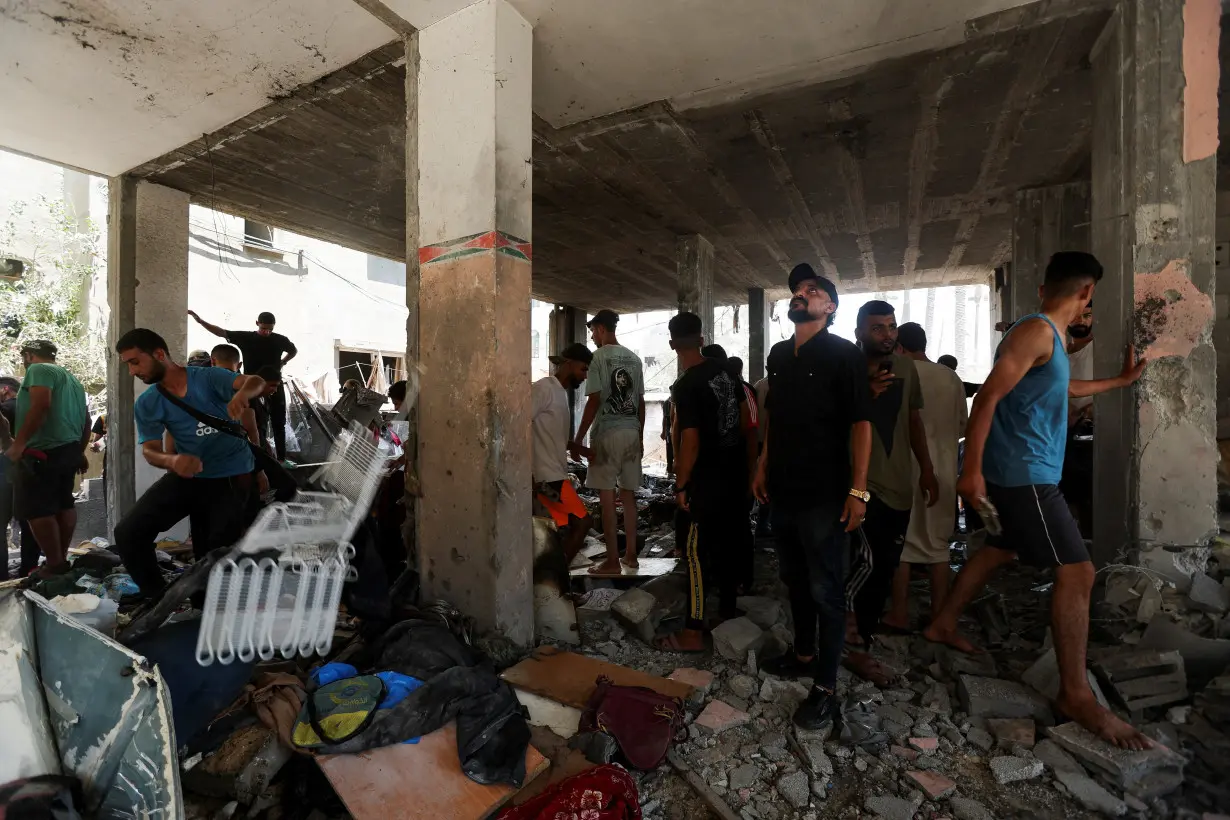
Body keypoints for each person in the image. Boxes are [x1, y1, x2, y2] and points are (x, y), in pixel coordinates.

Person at [923, 251, 1151, 750]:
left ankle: (942, 622)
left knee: (999, 549)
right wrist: (972, 469)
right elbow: (985, 397)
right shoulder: (1038, 333)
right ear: (1088, 293)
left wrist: (1119, 381)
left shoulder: (1049, 340)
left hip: (1022, 471)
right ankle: (1075, 694)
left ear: (1045, 287)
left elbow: (1060, 388)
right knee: (1078, 571)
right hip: (1024, 475)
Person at [753, 263, 872, 733]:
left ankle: (825, 687)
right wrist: (763, 464)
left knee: (827, 589)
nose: (801, 293)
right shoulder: (781, 356)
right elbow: (775, 418)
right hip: (783, 489)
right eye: (798, 290)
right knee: (793, 577)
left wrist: (858, 489)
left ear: (830, 307)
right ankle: (803, 653)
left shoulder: (844, 355)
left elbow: (861, 423)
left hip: (826, 493)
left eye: (813, 290)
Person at [113, 329, 267, 598]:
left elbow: (254, 381)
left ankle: (211, 611)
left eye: (135, 362)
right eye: (127, 364)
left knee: (214, 556)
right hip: (188, 476)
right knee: (129, 532)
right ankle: (156, 598)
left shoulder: (209, 378)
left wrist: (242, 395)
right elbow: (150, 452)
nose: (131, 371)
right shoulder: (148, 403)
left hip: (231, 477)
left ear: (159, 354)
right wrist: (171, 460)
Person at [842, 302, 938, 685]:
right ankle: (850, 643)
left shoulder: (907, 369)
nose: (887, 334)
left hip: (900, 485)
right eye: (877, 327)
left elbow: (913, 420)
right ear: (859, 331)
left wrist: (927, 469)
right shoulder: (845, 367)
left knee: (884, 569)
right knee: (864, 566)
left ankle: (859, 637)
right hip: (861, 486)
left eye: (891, 326)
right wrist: (863, 392)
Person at [657, 312, 755, 651]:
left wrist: (682, 484)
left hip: (706, 481)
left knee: (695, 552)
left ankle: (693, 631)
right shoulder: (728, 372)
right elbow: (745, 420)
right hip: (734, 472)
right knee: (729, 544)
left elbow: (691, 439)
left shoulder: (685, 386)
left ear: (672, 344)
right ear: (701, 339)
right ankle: (726, 610)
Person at [883, 322, 967, 632]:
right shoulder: (950, 377)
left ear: (899, 347)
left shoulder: (896, 373)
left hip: (903, 471)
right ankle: (939, 617)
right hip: (942, 472)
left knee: (902, 544)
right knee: (938, 545)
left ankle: (899, 614)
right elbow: (962, 428)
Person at [6, 340, 91, 577]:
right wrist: (79, 451)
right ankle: (58, 562)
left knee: (36, 509)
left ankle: (54, 563)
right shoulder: (73, 381)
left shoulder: (39, 370)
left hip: (42, 452)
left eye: (24, 356)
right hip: (68, 451)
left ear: (30, 355)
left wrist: (19, 443)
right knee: (64, 504)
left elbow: (41, 405)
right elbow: (87, 420)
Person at [571, 310, 645, 574]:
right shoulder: (635, 359)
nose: (592, 336)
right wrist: (640, 435)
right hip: (631, 432)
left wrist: (578, 438)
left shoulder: (598, 358)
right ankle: (632, 556)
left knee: (607, 497)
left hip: (608, 433)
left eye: (592, 331)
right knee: (629, 497)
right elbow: (641, 402)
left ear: (601, 328)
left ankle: (613, 560)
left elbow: (594, 400)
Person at [188, 310, 297, 461]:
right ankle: (262, 460)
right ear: (257, 323)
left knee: (279, 422)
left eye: (270, 329)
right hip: (251, 387)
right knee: (257, 423)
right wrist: (200, 321)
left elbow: (293, 350)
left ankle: (281, 459)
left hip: (273, 384)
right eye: (264, 328)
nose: (266, 332)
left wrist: (283, 362)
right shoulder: (246, 338)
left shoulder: (280, 340)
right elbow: (221, 332)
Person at [532, 343, 594, 564]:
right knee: (583, 523)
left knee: (556, 536)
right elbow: (518, 425)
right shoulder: (544, 388)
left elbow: (549, 435)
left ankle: (555, 588)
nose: (585, 376)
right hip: (547, 478)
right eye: (583, 369)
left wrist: (580, 449)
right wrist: (529, 475)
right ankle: (558, 582)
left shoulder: (559, 394)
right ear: (569, 364)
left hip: (554, 475)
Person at [0, 375, 38, 579]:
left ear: (5, 389)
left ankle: (2, 574)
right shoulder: (31, 409)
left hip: (6, 468)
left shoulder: (5, 410)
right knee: (29, 521)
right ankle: (29, 568)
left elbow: (6, 442)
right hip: (28, 467)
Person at [1062, 301, 1095, 536]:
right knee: (1065, 492)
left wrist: (1088, 409)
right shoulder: (1060, 351)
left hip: (1090, 434)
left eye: (1087, 315)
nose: (1081, 320)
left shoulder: (1099, 349)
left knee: (1087, 494)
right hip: (1061, 433)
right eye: (1075, 315)